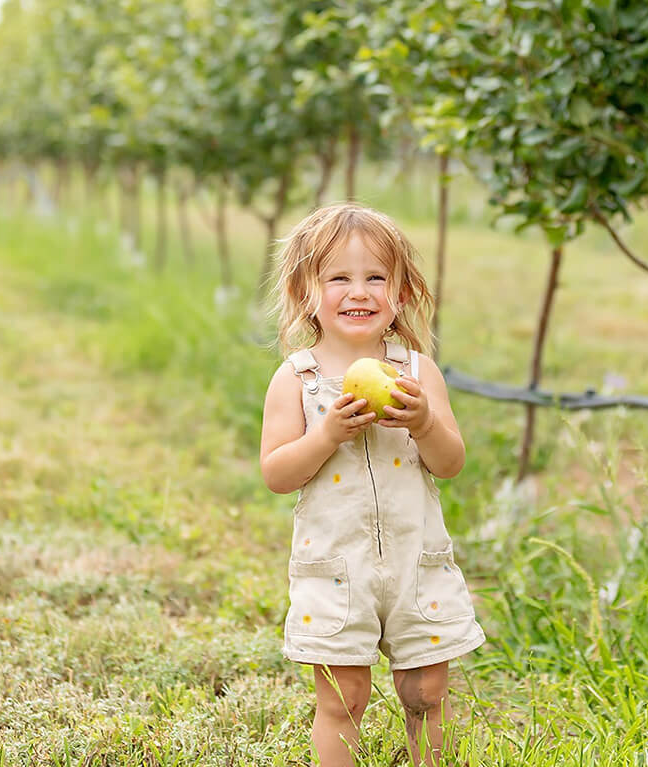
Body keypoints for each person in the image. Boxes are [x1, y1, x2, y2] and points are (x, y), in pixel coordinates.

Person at [260, 202, 485, 766]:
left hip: (416, 563)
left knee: (427, 693)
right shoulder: (297, 379)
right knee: (343, 698)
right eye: (339, 277)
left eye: (375, 278)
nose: (358, 291)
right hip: (337, 569)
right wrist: (326, 433)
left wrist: (424, 422)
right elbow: (277, 474)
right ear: (306, 292)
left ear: (401, 294)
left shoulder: (416, 374)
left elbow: (451, 462)